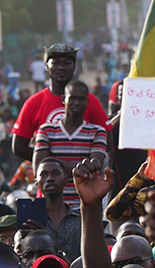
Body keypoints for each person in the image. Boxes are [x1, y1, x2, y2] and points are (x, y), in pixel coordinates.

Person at [10, 44, 108, 161]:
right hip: (49, 178)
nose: (61, 67)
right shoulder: (33, 103)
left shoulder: (90, 101)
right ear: (46, 66)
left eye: (67, 63)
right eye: (55, 63)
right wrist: (49, 164)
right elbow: (18, 146)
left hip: (83, 176)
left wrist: (84, 165)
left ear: (74, 67)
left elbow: (108, 141)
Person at [32, 80, 109, 211]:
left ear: (87, 102)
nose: (77, 103)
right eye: (72, 98)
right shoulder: (46, 130)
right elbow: (38, 168)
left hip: (84, 207)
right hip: (49, 208)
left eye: (81, 99)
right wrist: (79, 168)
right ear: (63, 99)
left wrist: (52, 161)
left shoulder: (97, 131)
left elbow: (93, 170)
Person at [35, 158, 83, 263]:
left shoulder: (81, 220)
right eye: (44, 174)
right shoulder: (31, 221)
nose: (50, 178)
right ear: (36, 182)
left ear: (65, 179)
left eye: (56, 173)